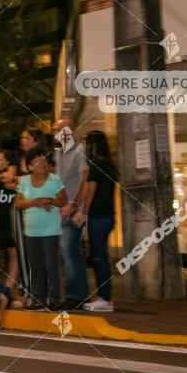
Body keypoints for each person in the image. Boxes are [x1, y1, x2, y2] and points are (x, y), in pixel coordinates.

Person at [14, 149, 66, 311]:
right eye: (37, 161)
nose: (42, 163)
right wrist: (36, 201)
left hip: (51, 230)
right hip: (31, 230)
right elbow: (18, 204)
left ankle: (54, 298)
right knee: (35, 265)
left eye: (43, 159)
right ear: (29, 166)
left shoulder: (54, 179)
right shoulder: (24, 181)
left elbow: (63, 201)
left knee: (51, 264)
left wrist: (49, 199)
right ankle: (38, 298)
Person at [75, 131, 118, 312]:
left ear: (92, 145)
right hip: (107, 216)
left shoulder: (95, 166)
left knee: (98, 257)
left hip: (98, 217)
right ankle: (105, 297)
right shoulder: (109, 165)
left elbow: (90, 191)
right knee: (102, 257)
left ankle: (104, 298)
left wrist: (82, 212)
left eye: (86, 142)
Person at [52, 118, 90, 310]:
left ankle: (77, 295)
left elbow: (84, 181)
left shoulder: (79, 150)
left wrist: (74, 206)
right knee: (68, 252)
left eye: (59, 129)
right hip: (59, 211)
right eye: (55, 130)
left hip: (72, 211)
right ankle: (74, 293)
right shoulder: (58, 154)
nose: (55, 133)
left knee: (69, 251)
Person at [0, 150, 19, 291]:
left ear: (8, 161)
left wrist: (5, 174)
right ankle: (10, 282)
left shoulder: (11, 173)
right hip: (4, 218)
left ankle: (9, 285)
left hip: (12, 217)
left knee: (14, 254)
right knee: (10, 253)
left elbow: (10, 180)